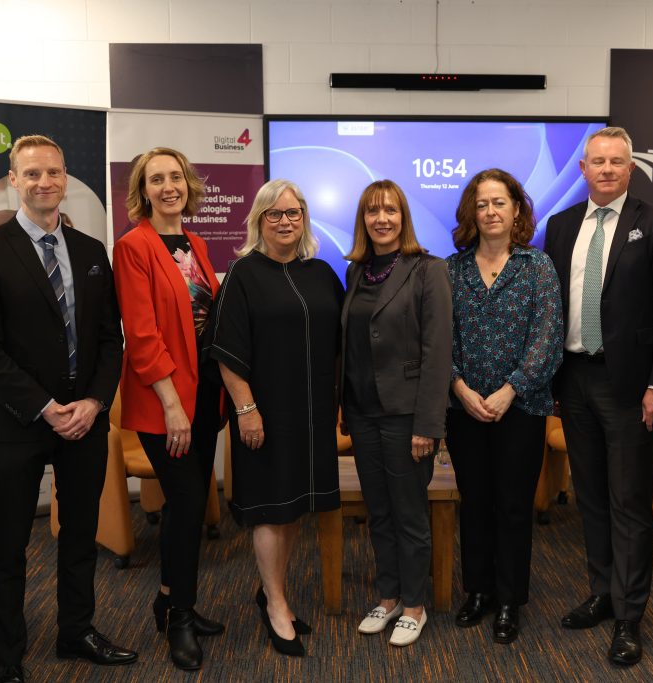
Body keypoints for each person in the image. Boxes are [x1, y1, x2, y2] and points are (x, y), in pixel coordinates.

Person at [0, 135, 136, 682]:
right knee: (9, 544)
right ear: (13, 180)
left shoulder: (90, 251)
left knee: (80, 535)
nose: (44, 182)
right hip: (19, 421)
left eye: (54, 173)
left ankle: (75, 632)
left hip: (83, 420)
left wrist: (93, 401)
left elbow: (111, 339)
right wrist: (44, 406)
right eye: (32, 174)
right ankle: (7, 658)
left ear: (65, 180)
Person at [544, 126, 653, 666]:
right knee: (591, 497)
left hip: (629, 387)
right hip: (574, 381)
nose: (606, 170)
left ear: (631, 169)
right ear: (582, 169)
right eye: (597, 161)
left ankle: (630, 617)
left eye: (617, 162)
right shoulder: (559, 227)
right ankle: (602, 592)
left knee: (629, 503)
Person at [204, 179, 344, 657]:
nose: (286, 221)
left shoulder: (323, 273)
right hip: (264, 414)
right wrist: (246, 409)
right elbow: (226, 353)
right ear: (259, 221)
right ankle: (276, 604)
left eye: (294, 212)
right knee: (269, 507)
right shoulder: (244, 275)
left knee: (294, 508)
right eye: (275, 214)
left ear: (304, 217)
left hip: (313, 416)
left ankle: (272, 590)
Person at [113, 147, 224, 670]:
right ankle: (178, 617)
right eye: (155, 179)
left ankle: (172, 600)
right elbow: (141, 334)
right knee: (182, 504)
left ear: (188, 184)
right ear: (143, 189)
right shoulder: (133, 246)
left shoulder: (196, 242)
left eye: (175, 177)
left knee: (191, 505)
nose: (167, 186)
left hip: (204, 399)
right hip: (168, 403)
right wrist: (173, 406)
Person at [446, 168, 563, 645]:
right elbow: (440, 337)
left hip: (523, 407)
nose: (491, 211)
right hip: (464, 408)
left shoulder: (537, 267)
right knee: (474, 503)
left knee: (514, 507)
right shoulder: (451, 270)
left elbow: (548, 339)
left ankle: (510, 598)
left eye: (500, 202)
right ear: (470, 214)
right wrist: (458, 387)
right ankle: (478, 591)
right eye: (482, 204)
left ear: (517, 210)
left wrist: (510, 389)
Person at [340, 180, 452, 647]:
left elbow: (437, 349)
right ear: (363, 220)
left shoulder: (428, 269)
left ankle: (414, 605)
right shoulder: (356, 273)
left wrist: (428, 425)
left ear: (403, 216)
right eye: (372, 211)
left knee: (409, 514)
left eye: (389, 210)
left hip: (407, 416)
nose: (381, 218)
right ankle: (387, 597)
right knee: (379, 512)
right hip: (363, 414)